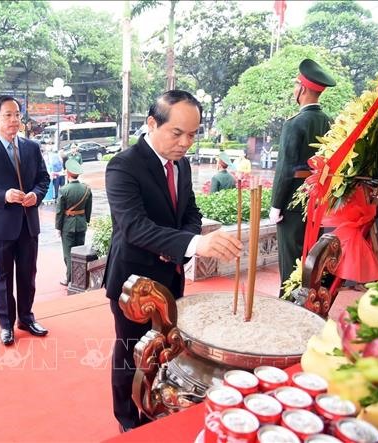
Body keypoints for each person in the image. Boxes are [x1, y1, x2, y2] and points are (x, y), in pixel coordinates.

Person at [104, 90, 243, 432]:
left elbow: (190, 212)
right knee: (130, 352)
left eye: (193, 135)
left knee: (166, 348)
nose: (185, 143)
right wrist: (195, 243)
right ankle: (127, 418)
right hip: (134, 284)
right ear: (152, 124)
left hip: (171, 275)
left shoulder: (180, 164)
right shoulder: (123, 166)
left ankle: (158, 404)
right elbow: (134, 227)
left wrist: (182, 243)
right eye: (177, 133)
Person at [0, 95, 51, 346]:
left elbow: (43, 179)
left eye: (17, 115)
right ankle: (6, 324)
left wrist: (36, 194)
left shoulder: (31, 147)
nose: (14, 120)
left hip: (28, 223)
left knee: (28, 274)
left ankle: (26, 317)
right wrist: (4, 195)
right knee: (3, 277)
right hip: (1, 226)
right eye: (8, 115)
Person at [270, 58, 336, 288]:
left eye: (296, 84)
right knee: (310, 255)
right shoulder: (326, 121)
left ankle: (290, 304)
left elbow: (285, 169)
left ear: (303, 88)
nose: (294, 89)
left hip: (292, 200)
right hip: (315, 197)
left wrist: (276, 205)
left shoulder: (295, 123)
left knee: (290, 258)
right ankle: (310, 299)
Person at [55, 159, 92, 286]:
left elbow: (60, 211)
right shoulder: (86, 189)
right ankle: (81, 278)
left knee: (68, 254)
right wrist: (86, 220)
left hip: (68, 226)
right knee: (80, 252)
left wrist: (58, 228)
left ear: (68, 173)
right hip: (81, 224)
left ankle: (70, 279)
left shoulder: (63, 190)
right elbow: (88, 209)